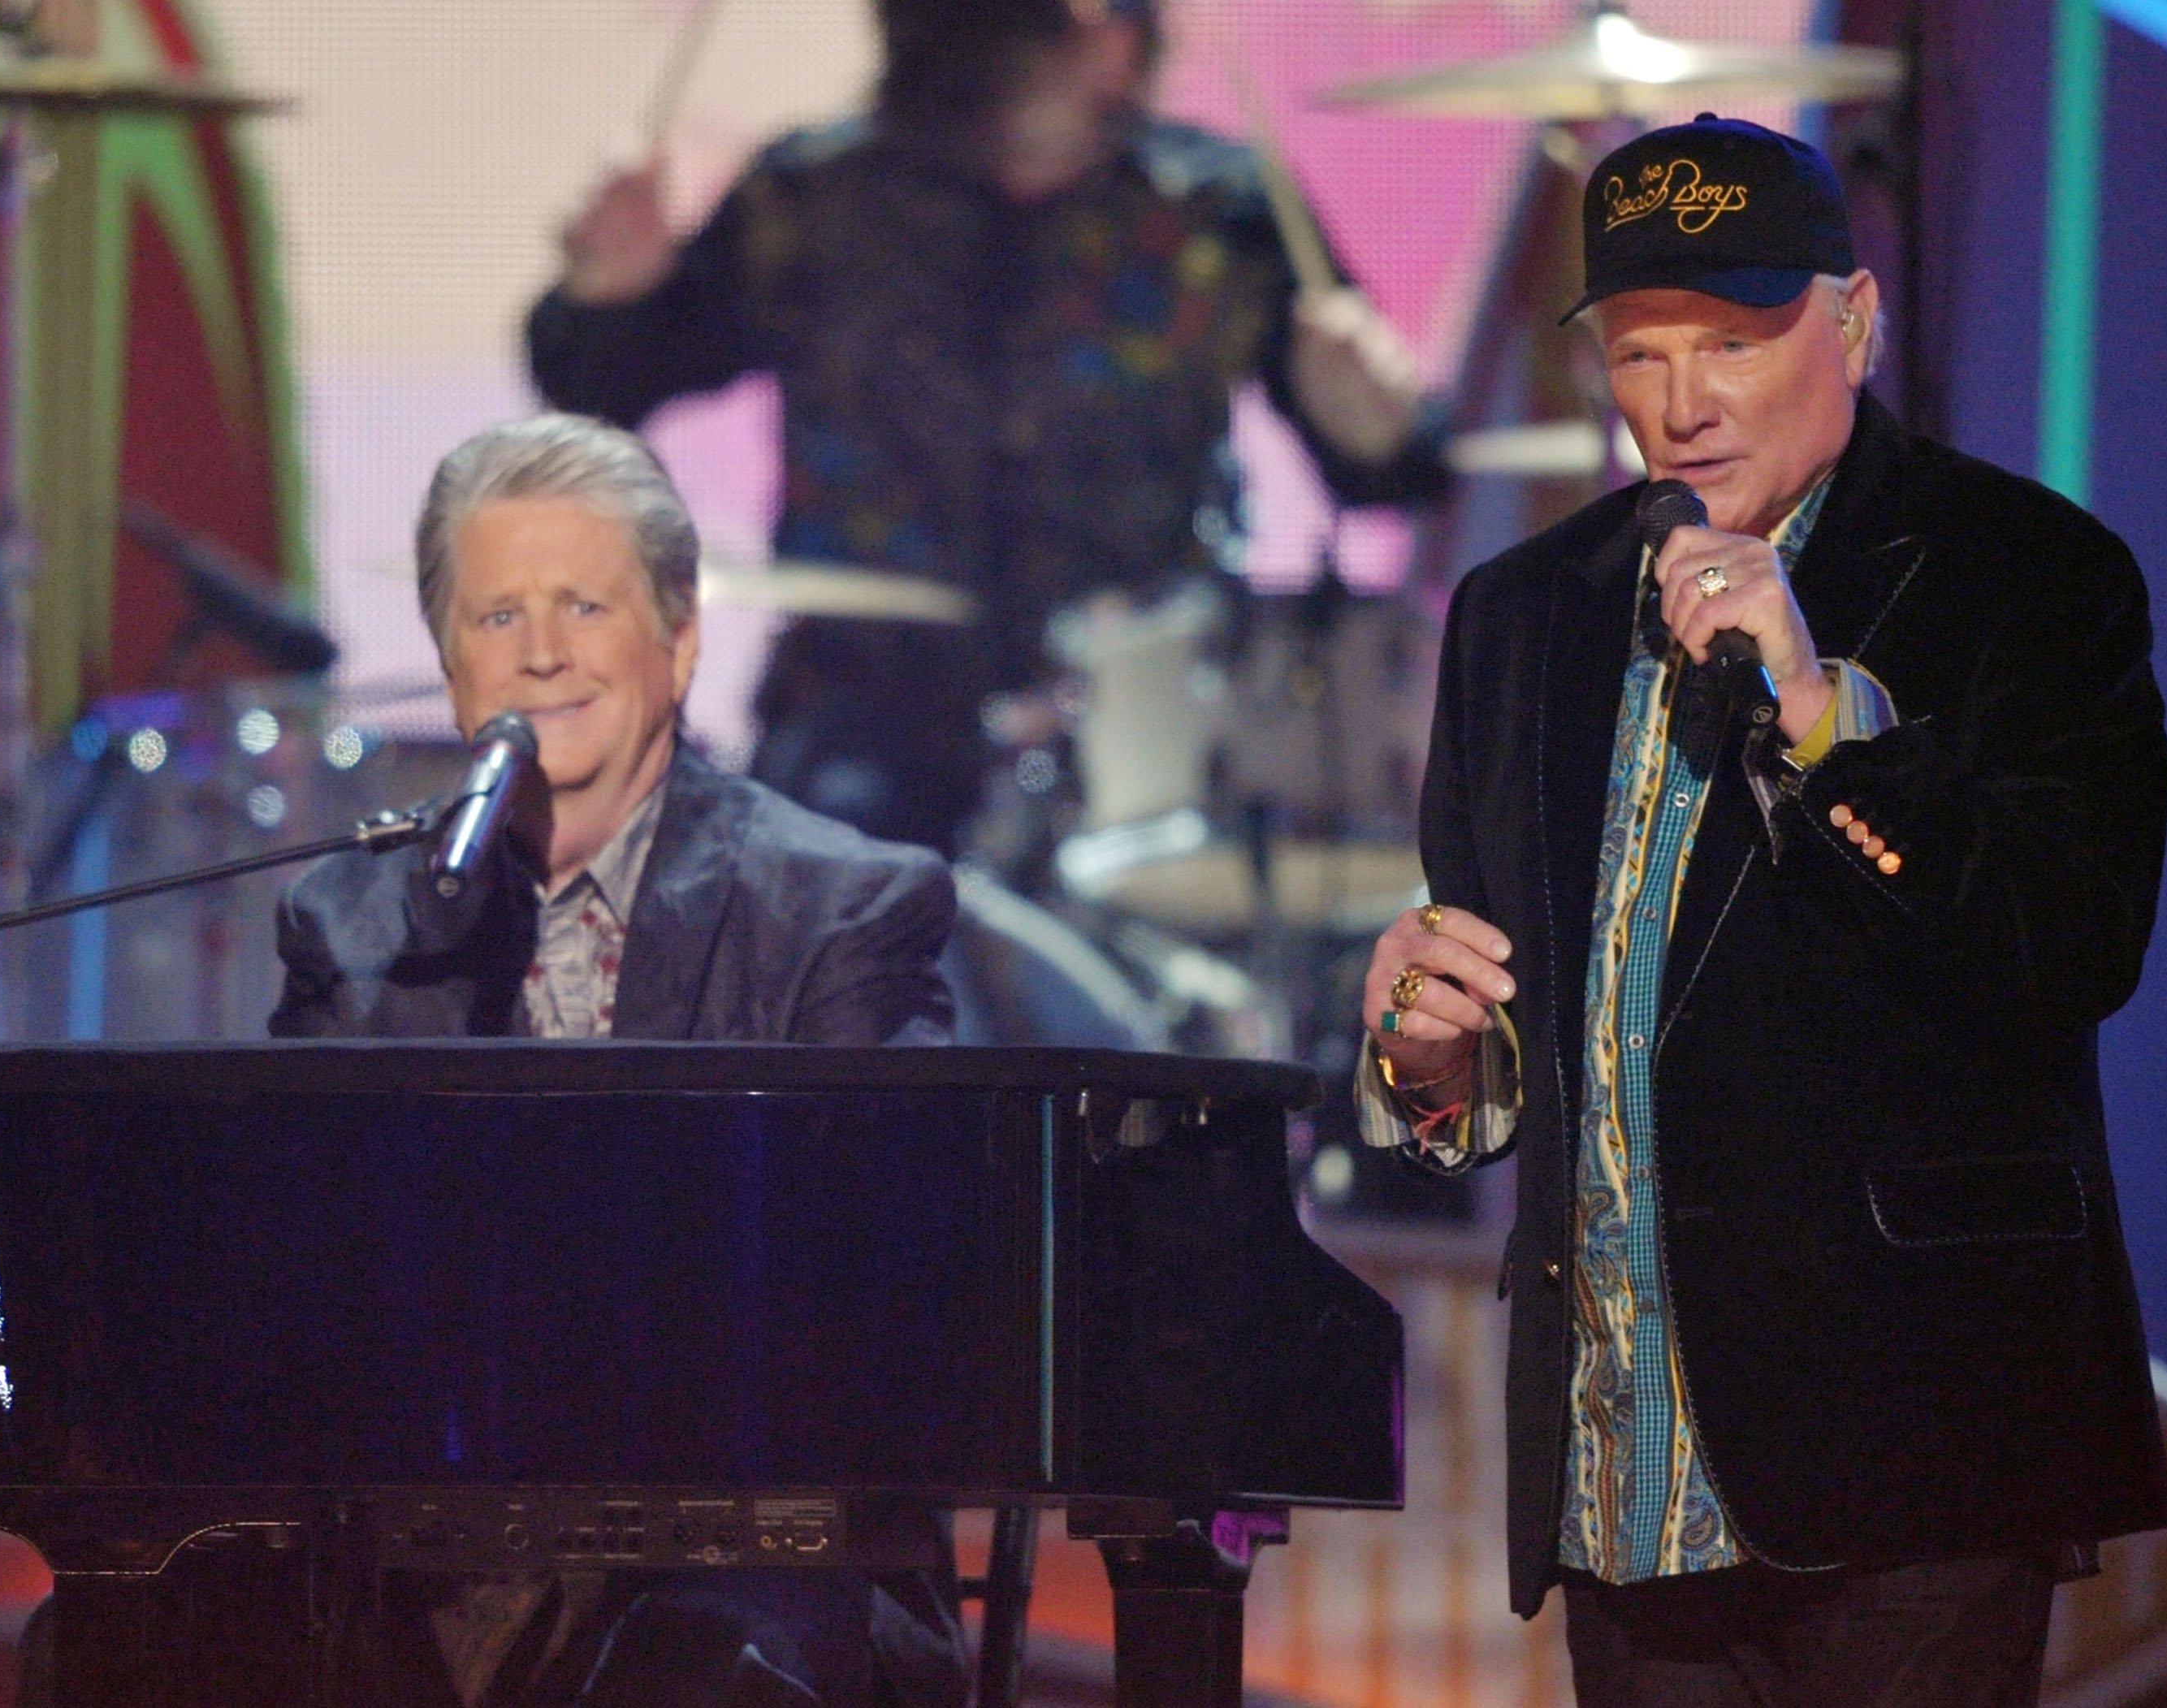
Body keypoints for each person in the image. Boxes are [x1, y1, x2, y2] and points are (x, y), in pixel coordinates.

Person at [1355, 116, 2167, 1703]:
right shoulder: (1525, 612)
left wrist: (1817, 714)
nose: (1681, 399)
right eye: (1642, 349)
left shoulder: (2026, 573)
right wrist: (1428, 1057)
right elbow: (1510, 1067)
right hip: (1626, 1458)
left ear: (1854, 321)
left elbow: (2072, 944)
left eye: (1734, 339)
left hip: (1914, 1450)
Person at [270, 413, 967, 1707]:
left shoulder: (845, 907)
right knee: (140, 1627)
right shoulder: (351, 921)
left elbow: (884, 1299)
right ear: (448, 660)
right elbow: (308, 1282)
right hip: (429, 1553)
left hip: (752, 1548)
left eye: (584, 605)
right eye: (496, 618)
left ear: (681, 637)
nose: (541, 653)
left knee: (686, 1668)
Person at [526, 0, 1448, 858]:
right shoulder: (812, 201)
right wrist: (608, 295)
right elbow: (603, 381)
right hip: (859, 725)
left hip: (1149, 743)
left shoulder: (1217, 208)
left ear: (1119, 44)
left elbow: (1390, 472)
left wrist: (1378, 426)